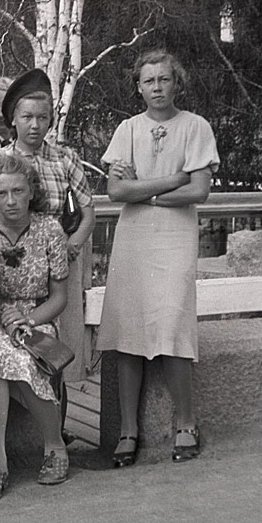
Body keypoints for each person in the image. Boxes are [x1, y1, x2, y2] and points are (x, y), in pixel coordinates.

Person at [98, 50, 218, 466]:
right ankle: (128, 429)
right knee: (129, 330)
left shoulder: (195, 127)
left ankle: (186, 422)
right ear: (138, 87)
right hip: (133, 239)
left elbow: (198, 191)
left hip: (174, 239)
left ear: (176, 82)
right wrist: (168, 182)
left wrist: (143, 191)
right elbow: (116, 193)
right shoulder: (128, 129)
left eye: (164, 80)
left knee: (172, 323)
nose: (157, 88)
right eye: (149, 81)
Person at [0, 68, 96, 380]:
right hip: (11, 264)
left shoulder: (64, 159)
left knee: (55, 346)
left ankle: (60, 419)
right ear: (14, 120)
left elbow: (88, 212)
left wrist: (72, 245)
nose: (35, 125)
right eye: (27, 117)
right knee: (11, 339)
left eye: (42, 118)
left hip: (58, 262)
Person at [0, 153, 70, 501]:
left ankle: (54, 446)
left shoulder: (50, 230)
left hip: (39, 316)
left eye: (18, 191)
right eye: (2, 194)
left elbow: (59, 297)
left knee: (15, 359)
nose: (11, 201)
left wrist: (29, 321)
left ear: (32, 190)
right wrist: (5, 318)